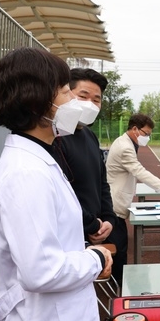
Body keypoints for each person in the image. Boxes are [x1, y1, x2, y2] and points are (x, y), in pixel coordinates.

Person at [0, 47, 113, 321]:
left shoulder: (40, 159)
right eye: (67, 90)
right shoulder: (26, 173)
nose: (75, 101)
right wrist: (96, 258)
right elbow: (42, 270)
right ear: (38, 99)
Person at [106, 113, 160, 283]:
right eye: (146, 134)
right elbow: (139, 170)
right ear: (134, 129)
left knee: (121, 244)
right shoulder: (125, 147)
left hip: (116, 198)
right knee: (119, 247)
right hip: (114, 201)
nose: (147, 137)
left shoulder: (127, 142)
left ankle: (119, 280)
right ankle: (120, 284)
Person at [53, 68, 116, 246]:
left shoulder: (90, 136)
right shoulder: (55, 138)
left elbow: (102, 184)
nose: (90, 104)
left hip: (97, 230)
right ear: (67, 95)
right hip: (70, 237)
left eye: (96, 100)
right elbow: (61, 196)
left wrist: (109, 219)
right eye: (83, 96)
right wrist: (91, 225)